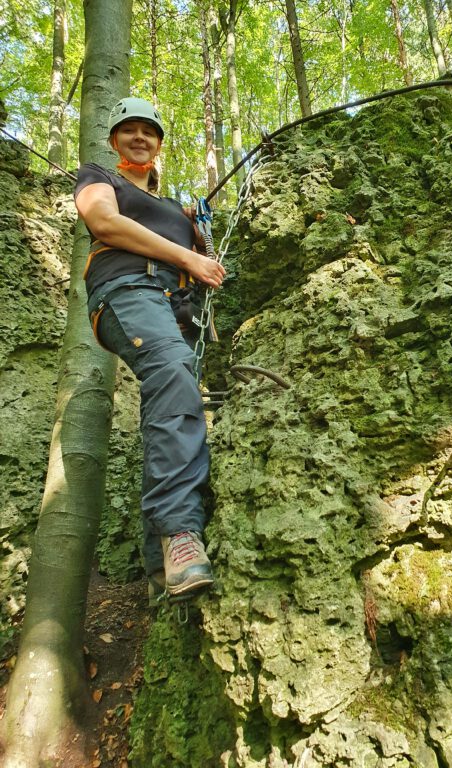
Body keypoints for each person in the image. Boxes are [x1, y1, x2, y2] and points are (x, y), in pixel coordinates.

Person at [74, 97, 226, 603]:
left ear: (159, 144)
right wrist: (186, 253)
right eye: (129, 130)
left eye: (149, 131)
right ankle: (180, 535)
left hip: (175, 306)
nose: (140, 137)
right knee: (173, 372)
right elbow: (104, 224)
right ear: (115, 141)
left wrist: (195, 235)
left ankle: (160, 568)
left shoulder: (172, 209)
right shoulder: (101, 178)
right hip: (128, 291)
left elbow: (199, 262)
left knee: (175, 395)